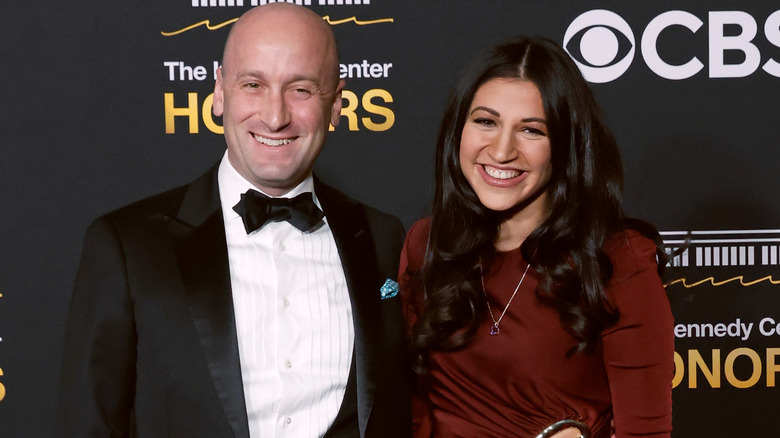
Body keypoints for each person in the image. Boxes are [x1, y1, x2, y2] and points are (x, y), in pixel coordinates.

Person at [59, 4, 410, 437]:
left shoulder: (382, 237)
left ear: (336, 103)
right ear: (220, 93)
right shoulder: (128, 246)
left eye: (301, 89)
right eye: (253, 85)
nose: (275, 116)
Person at [399, 35, 674, 438]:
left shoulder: (615, 260)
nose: (501, 151)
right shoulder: (427, 243)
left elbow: (645, 433)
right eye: (486, 122)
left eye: (531, 130)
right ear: (458, 130)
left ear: (565, 146)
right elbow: (408, 412)